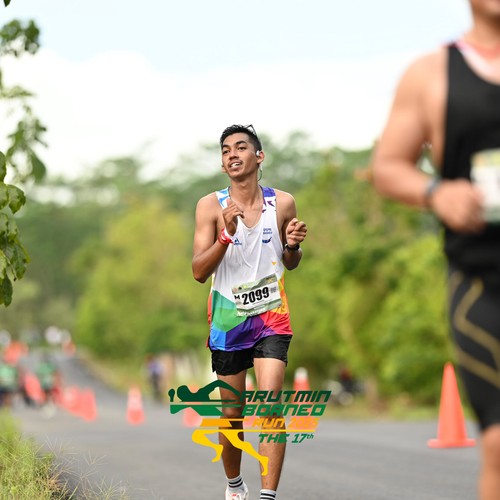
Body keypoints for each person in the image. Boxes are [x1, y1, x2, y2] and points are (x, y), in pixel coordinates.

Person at [371, 2, 500, 498]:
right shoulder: (430, 74)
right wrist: (436, 192)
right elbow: (388, 166)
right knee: (499, 443)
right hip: (484, 282)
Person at [192, 124, 307, 500]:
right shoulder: (210, 206)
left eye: (240, 148)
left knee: (271, 405)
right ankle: (234, 485)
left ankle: (267, 495)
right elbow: (198, 272)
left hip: (272, 315)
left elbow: (290, 262)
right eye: (226, 151)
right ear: (222, 163)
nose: (232, 155)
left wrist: (293, 247)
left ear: (259, 157)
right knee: (232, 415)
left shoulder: (283, 203)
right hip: (229, 319)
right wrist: (225, 235)